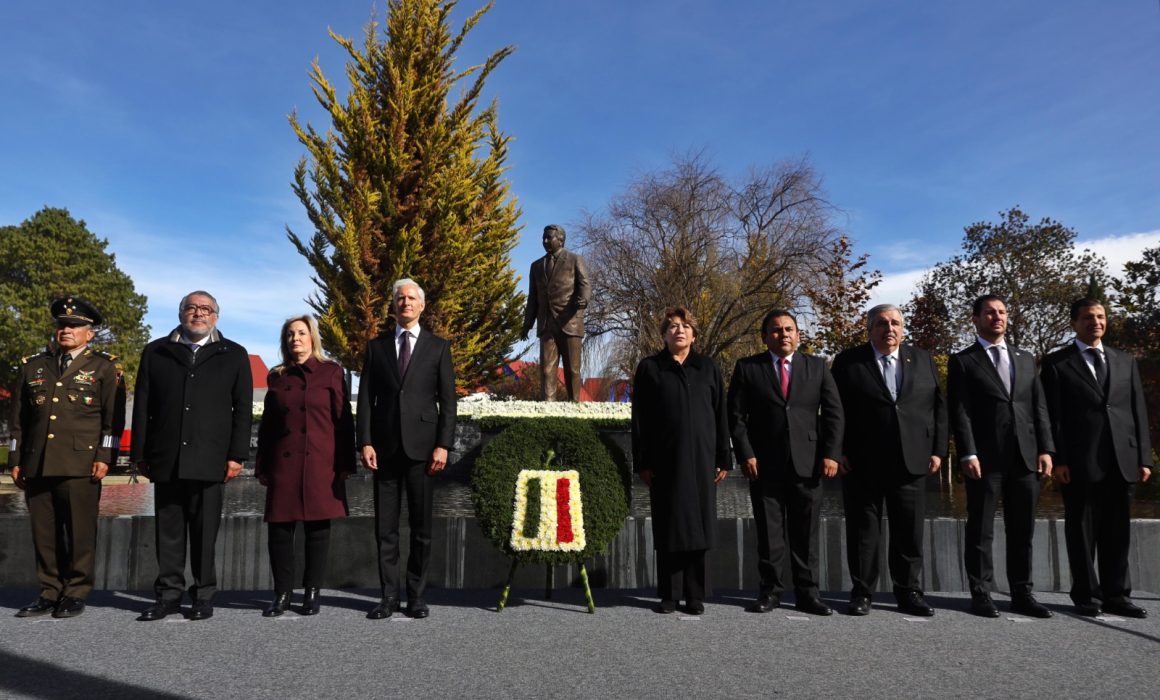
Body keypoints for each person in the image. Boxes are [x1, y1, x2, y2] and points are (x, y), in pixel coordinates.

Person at [132, 291, 253, 621]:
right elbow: (143, 405)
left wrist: (236, 456)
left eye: (205, 309)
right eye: (191, 308)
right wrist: (139, 453)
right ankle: (169, 595)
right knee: (168, 531)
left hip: (211, 458)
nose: (198, 314)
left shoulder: (234, 354)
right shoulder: (156, 351)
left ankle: (203, 595)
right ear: (180, 312)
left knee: (204, 532)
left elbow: (242, 409)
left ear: (216, 316)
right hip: (167, 457)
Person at [9, 297, 125, 619]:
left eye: (75, 326)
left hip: (80, 463)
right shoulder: (33, 366)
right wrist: (16, 459)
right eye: (62, 325)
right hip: (37, 462)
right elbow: (18, 420)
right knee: (44, 533)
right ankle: (48, 591)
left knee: (79, 532)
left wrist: (105, 455)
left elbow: (112, 420)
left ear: (90, 333)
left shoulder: (104, 367)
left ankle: (75, 592)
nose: (67, 330)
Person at [831, 304, 947, 617]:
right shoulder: (847, 362)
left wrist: (938, 450)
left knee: (908, 532)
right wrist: (836, 450)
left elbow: (938, 409)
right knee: (863, 532)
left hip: (912, 461)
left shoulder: (922, 359)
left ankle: (909, 591)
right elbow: (834, 409)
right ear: (869, 329)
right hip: (861, 461)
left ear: (903, 328)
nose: (889, 329)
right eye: (882, 323)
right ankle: (862, 592)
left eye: (895, 323)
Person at [1041, 298, 1153, 618]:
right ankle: (1086, 594)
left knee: (1117, 531)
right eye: (1089, 318)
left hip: (1123, 458)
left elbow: (1137, 410)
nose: (1096, 323)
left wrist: (1144, 457)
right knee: (1081, 530)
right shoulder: (1056, 363)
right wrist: (1057, 457)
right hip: (1078, 462)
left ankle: (1117, 594)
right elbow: (1052, 416)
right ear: (1074, 323)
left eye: (1101, 317)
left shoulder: (1124, 360)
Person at [728, 309, 844, 615]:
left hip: (809, 464)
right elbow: (736, 417)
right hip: (764, 464)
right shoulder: (747, 368)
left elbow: (834, 413)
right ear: (765, 337)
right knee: (769, 533)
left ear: (798, 334)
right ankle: (771, 592)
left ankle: (808, 594)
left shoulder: (817, 367)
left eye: (789, 329)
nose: (784, 335)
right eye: (776, 330)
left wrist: (832, 453)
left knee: (806, 534)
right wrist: (746, 453)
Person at [948, 294, 1054, 618]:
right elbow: (960, 411)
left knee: (1022, 530)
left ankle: (1022, 593)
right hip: (985, 459)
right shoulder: (964, 361)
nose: (997, 317)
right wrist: (967, 452)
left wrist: (1047, 448)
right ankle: (981, 593)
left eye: (1002, 312)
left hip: (1025, 456)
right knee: (980, 529)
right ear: (976, 319)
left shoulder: (1025, 358)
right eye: (990, 313)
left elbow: (1038, 407)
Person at [358, 279, 456, 619]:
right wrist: (365, 441)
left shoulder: (439, 347)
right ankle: (387, 598)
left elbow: (449, 402)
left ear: (422, 305)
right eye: (400, 298)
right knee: (385, 529)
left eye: (411, 298)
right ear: (393, 305)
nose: (405, 303)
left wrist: (443, 445)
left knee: (421, 528)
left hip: (424, 451)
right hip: (383, 451)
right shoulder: (376, 347)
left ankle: (416, 596)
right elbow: (366, 401)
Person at [631, 307, 731, 614]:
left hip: (702, 461)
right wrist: (643, 463)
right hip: (665, 461)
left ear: (694, 334)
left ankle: (695, 595)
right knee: (670, 526)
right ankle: (669, 595)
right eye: (672, 326)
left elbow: (720, 414)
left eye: (685, 326)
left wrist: (723, 458)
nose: (679, 330)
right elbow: (640, 420)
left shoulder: (708, 368)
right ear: (663, 334)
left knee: (699, 527)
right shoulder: (650, 368)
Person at [256, 315, 356, 617]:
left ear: (312, 337)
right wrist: (262, 466)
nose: (295, 338)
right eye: (289, 334)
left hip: (321, 462)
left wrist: (345, 464)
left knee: (318, 530)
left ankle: (312, 593)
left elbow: (343, 421)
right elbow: (268, 427)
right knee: (280, 530)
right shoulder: (277, 376)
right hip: (284, 462)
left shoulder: (331, 372)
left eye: (301, 333)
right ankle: (282, 594)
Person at [521, 224, 591, 401]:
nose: (545, 241)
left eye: (548, 237)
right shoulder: (536, 266)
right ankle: (549, 413)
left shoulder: (575, 259)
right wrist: (527, 324)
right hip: (546, 324)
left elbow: (585, 285)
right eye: (543, 238)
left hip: (570, 321)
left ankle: (575, 409)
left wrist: (584, 300)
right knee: (546, 370)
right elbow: (533, 299)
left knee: (572, 370)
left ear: (560, 239)